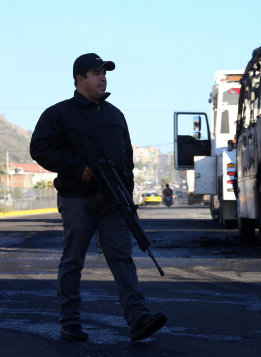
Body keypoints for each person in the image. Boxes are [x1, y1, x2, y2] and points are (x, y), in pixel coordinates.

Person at [29, 53, 167, 341]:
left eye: (104, 73)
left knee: (122, 257)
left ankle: (138, 318)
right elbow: (40, 149)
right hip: (78, 197)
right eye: (96, 73)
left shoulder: (115, 115)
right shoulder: (58, 114)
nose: (103, 77)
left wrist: (127, 197)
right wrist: (78, 169)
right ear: (79, 79)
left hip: (114, 200)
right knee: (73, 260)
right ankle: (70, 322)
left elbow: (127, 160)